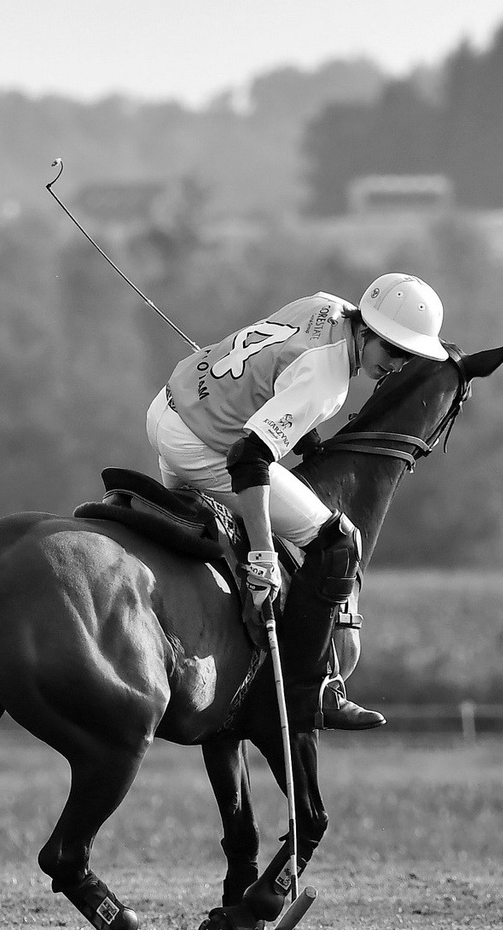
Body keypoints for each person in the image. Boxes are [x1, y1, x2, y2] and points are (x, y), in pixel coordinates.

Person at [146, 271, 447, 730]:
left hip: (167, 408)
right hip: (203, 445)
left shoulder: (323, 304)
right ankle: (318, 688)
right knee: (340, 542)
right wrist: (264, 558)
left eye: (408, 357)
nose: (397, 365)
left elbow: (275, 365)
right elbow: (249, 455)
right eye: (392, 349)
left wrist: (299, 430)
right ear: (365, 329)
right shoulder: (329, 383)